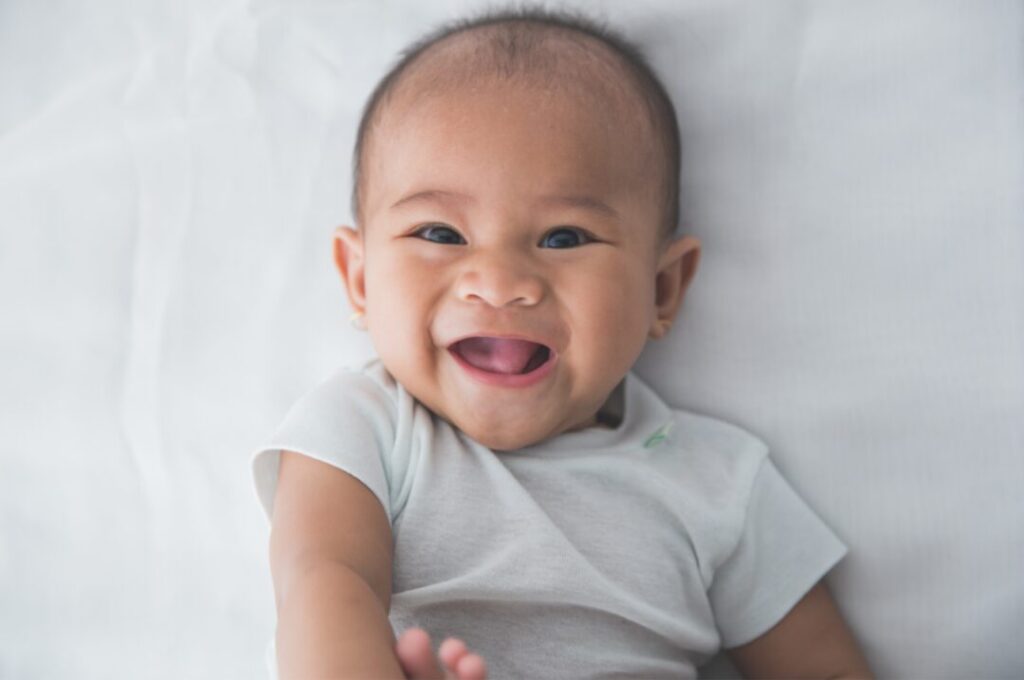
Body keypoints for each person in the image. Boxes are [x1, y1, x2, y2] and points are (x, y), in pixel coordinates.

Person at [251, 6, 874, 679]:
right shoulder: (364, 426)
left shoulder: (722, 482)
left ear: (661, 289)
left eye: (564, 238)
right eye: (439, 233)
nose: (498, 283)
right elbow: (321, 582)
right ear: (362, 280)